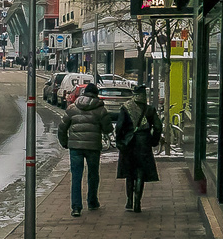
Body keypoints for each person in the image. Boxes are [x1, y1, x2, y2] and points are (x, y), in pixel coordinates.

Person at [59, 81, 113, 216]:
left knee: (76, 176)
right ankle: (92, 201)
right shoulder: (100, 109)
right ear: (96, 94)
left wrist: (65, 142)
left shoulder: (72, 108)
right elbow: (108, 129)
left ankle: (76, 207)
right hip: (93, 147)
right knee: (93, 175)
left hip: (75, 147)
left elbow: (62, 128)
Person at [114, 85, 162, 212]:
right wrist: (154, 141)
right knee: (141, 171)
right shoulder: (150, 109)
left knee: (130, 172)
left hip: (129, 143)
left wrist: (119, 141)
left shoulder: (126, 108)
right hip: (144, 143)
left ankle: (129, 201)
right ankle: (138, 202)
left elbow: (119, 127)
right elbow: (158, 127)